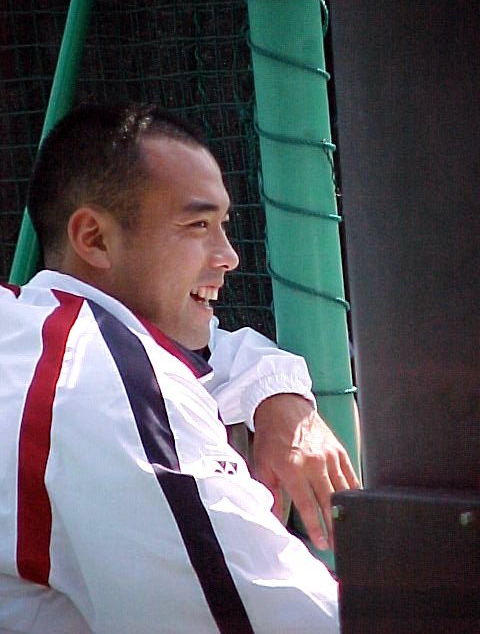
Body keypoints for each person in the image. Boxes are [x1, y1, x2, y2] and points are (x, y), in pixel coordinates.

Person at [0, 103, 357, 633]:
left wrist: (280, 397)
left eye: (223, 225)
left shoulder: (27, 324)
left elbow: (215, 351)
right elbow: (285, 621)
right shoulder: (110, 385)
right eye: (198, 225)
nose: (229, 256)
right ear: (94, 238)